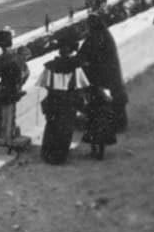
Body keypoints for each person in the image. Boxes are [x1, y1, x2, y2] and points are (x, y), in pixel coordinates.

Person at [37, 33, 90, 165]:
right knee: (65, 129)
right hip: (68, 102)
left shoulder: (50, 66)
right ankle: (60, 156)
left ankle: (48, 155)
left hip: (54, 100)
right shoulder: (76, 67)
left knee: (52, 127)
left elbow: (45, 85)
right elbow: (81, 85)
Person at [78, 13, 129, 136]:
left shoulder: (95, 37)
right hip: (111, 74)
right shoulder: (105, 34)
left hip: (101, 75)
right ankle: (119, 123)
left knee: (99, 100)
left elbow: (83, 54)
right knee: (114, 99)